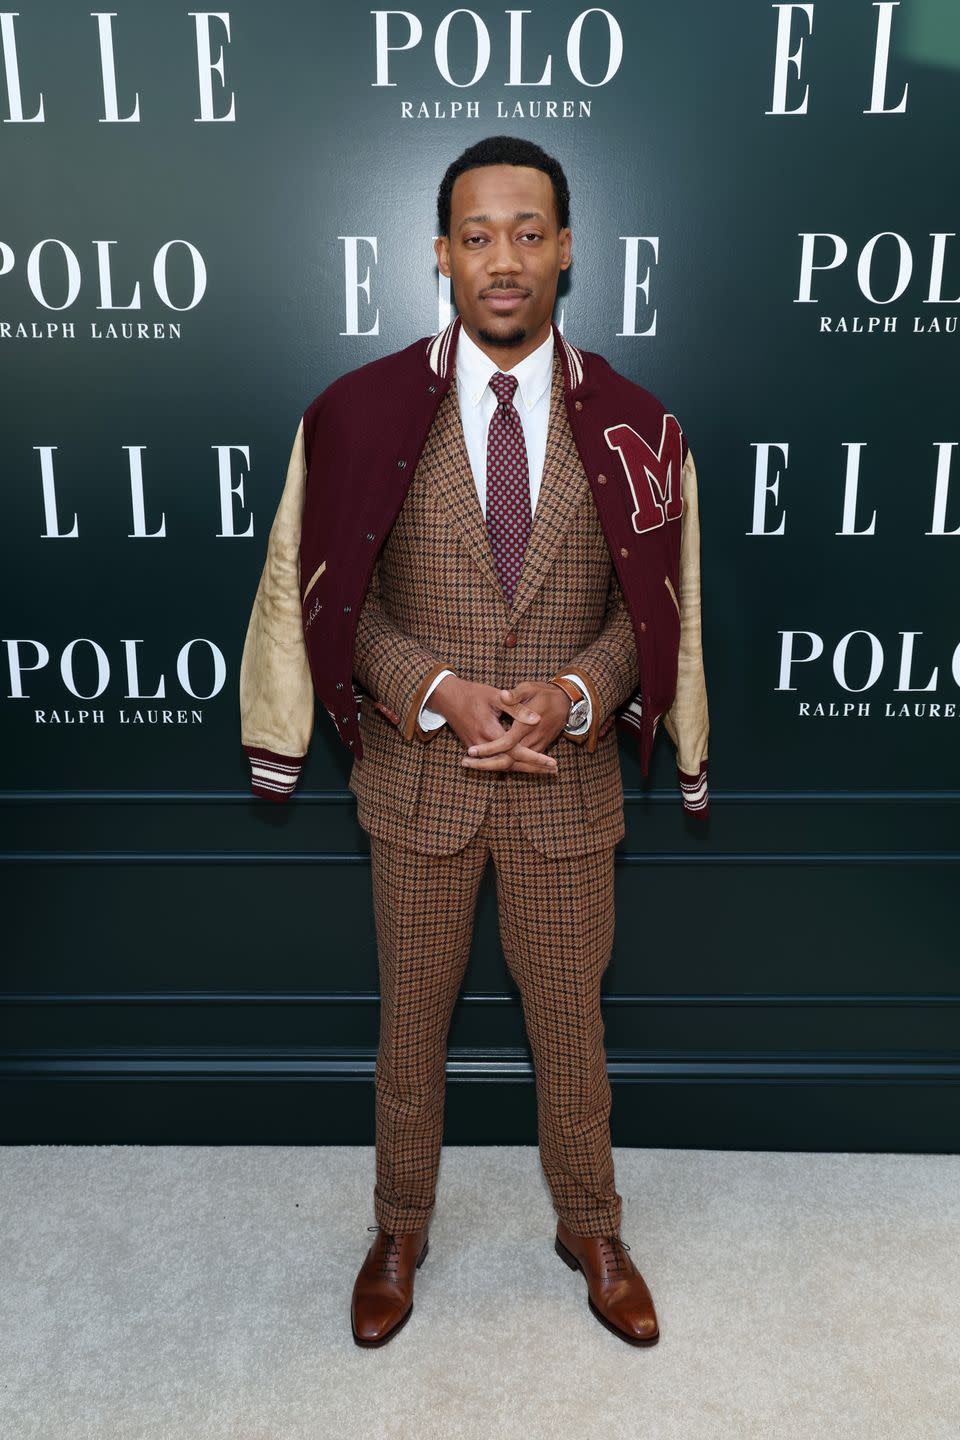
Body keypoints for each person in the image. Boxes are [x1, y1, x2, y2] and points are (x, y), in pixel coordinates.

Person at [239, 135, 709, 1349]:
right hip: (418, 778)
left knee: (571, 1026)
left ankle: (590, 1225)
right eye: (480, 236)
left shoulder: (639, 427)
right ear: (442, 255)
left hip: (567, 782)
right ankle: (400, 1227)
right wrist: (440, 689)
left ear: (567, 251)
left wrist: (572, 691)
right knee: (412, 1022)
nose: (506, 260)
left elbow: (649, 613)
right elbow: (334, 600)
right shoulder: (358, 415)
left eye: (530, 233)